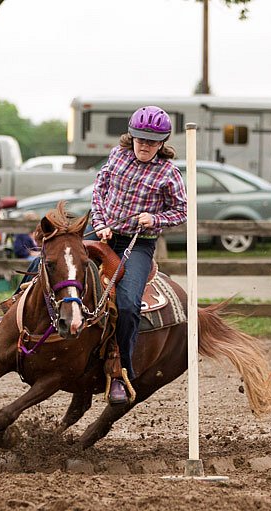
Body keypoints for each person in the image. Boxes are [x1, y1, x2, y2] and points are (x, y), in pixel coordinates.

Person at [91, 105, 188, 404]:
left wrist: (155, 219)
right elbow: (100, 188)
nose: (145, 146)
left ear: (162, 143)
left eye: (152, 141)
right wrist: (99, 223)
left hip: (139, 243)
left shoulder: (169, 174)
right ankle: (9, 310)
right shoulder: (117, 156)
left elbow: (182, 211)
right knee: (54, 254)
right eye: (140, 139)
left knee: (129, 303)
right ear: (131, 136)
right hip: (105, 232)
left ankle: (120, 371)